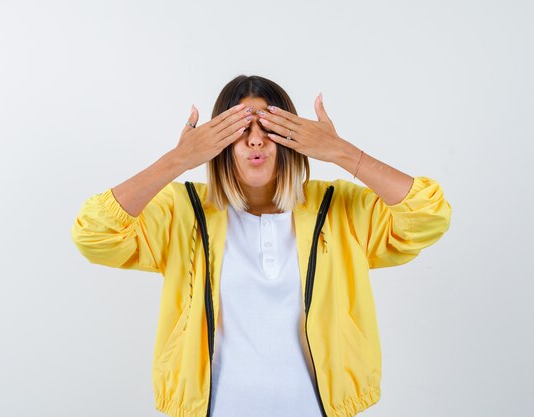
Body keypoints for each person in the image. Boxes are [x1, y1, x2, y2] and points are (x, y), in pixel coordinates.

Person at [71, 75, 452, 417]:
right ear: (216, 142)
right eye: (239, 128)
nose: (255, 139)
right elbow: (94, 233)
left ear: (293, 137)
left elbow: (428, 215)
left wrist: (340, 152)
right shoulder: (184, 212)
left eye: (269, 126)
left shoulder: (338, 209)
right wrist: (178, 160)